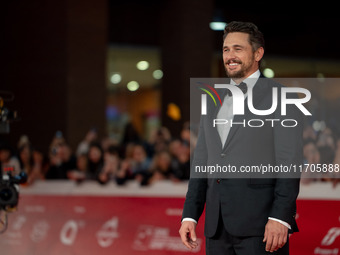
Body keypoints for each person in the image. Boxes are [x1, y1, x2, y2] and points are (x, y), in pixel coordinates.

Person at [179, 21, 303, 255]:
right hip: (217, 227)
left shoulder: (282, 98)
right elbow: (202, 161)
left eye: (238, 49)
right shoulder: (213, 99)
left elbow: (289, 163)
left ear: (258, 53)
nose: (230, 56)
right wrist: (190, 215)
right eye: (226, 49)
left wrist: (280, 217)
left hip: (262, 228)